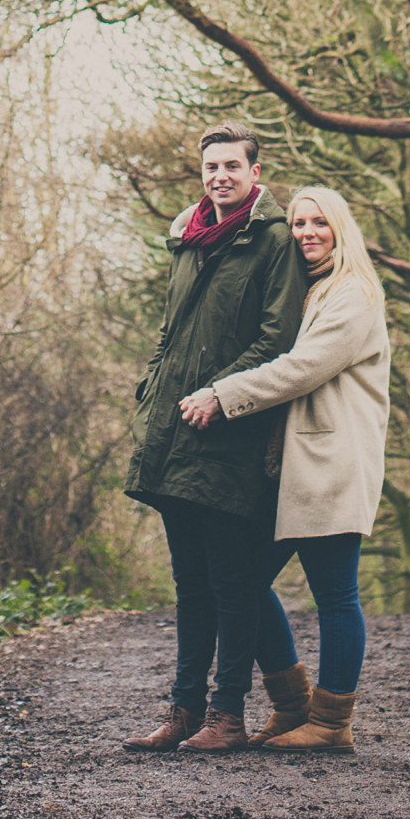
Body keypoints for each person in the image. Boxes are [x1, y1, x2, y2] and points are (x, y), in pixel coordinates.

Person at [179, 183, 389, 756]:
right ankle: (292, 704)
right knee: (243, 581)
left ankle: (331, 721)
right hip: (292, 465)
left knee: (335, 594)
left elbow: (301, 368)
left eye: (318, 223)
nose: (306, 234)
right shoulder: (313, 289)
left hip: (332, 460)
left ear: (340, 228)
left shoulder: (353, 295)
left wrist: (222, 394)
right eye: (297, 224)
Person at [123, 123, 303, 752]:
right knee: (189, 582)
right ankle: (183, 710)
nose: (220, 176)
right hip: (173, 430)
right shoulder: (187, 239)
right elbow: (170, 335)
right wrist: (152, 390)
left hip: (232, 434)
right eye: (211, 167)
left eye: (232, 165)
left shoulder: (274, 240)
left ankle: (228, 715)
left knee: (232, 581)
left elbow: (276, 340)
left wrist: (218, 395)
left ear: (255, 173)